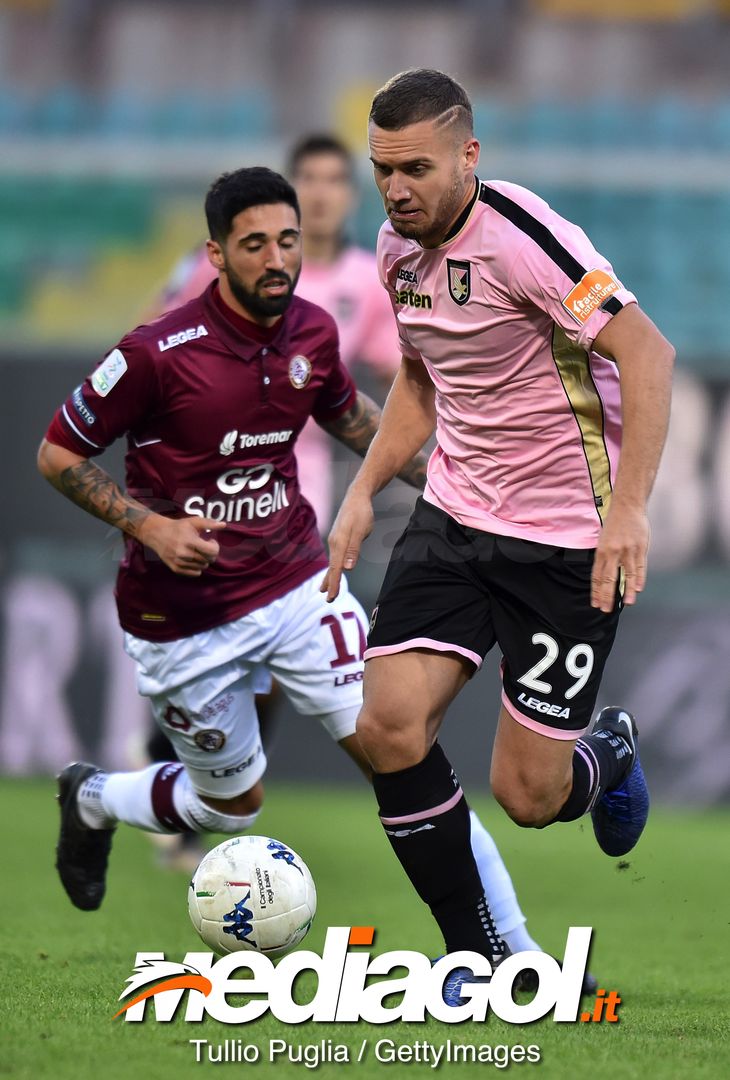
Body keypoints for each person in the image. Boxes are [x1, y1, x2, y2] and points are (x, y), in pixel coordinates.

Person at [37, 167, 571, 987]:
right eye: (254, 244)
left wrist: (447, 479)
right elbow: (57, 452)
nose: (276, 257)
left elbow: (352, 419)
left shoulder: (313, 333)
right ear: (215, 254)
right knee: (230, 805)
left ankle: (510, 954)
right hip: (181, 619)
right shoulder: (154, 354)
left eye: (287, 240)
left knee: (403, 751)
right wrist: (150, 525)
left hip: (296, 588)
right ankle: (96, 799)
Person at [323, 69, 675, 1000]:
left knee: (528, 798)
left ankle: (606, 753)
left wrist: (629, 509)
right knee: (387, 727)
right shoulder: (397, 251)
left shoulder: (526, 239)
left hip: (563, 540)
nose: (396, 191)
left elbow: (648, 353)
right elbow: (419, 379)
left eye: (416, 169)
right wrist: (362, 493)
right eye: (382, 170)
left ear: (469, 155)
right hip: (454, 518)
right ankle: (478, 957)